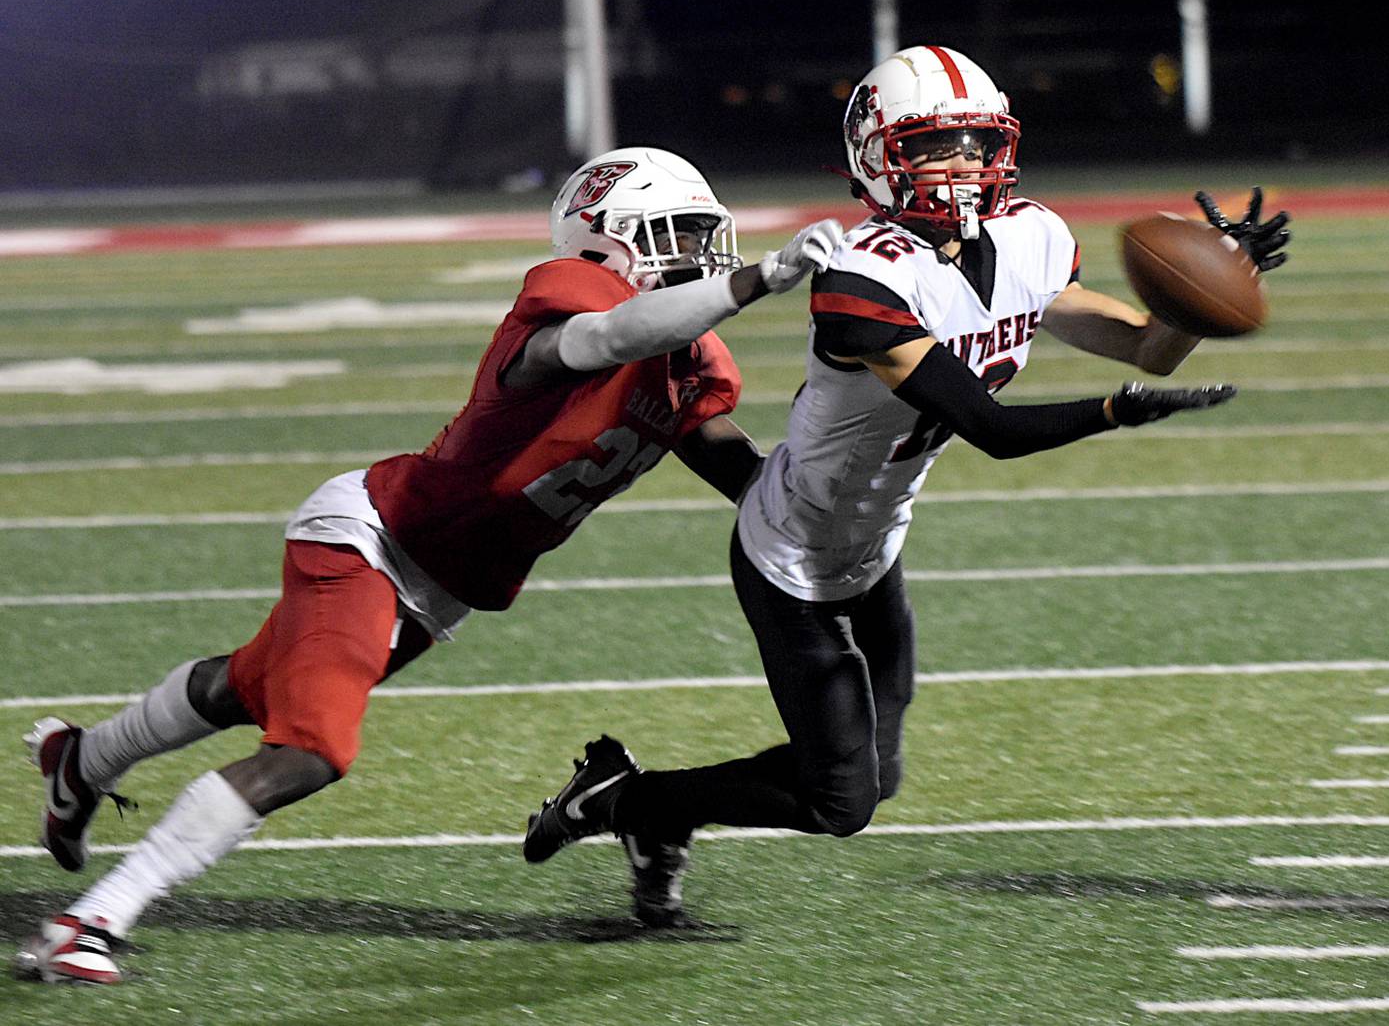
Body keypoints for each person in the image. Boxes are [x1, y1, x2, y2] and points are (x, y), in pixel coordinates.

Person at [14, 146, 842, 985]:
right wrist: (759, 281)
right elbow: (609, 336)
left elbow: (753, 481)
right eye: (678, 236)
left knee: (249, 684)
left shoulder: (694, 367)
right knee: (309, 748)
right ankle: (93, 919)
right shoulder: (574, 295)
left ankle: (82, 760)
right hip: (373, 535)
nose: (703, 258)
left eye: (709, 239)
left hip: (439, 585)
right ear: (606, 244)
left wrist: (853, 464)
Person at [521, 46, 1292, 927]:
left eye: (977, 141)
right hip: (791, 559)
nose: (963, 164)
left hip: (877, 541)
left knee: (875, 774)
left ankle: (646, 807)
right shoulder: (863, 276)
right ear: (878, 157)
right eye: (934, 145)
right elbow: (994, 431)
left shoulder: (1031, 235)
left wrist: (1211, 293)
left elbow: (1150, 345)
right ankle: (631, 802)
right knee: (840, 802)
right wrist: (1118, 412)